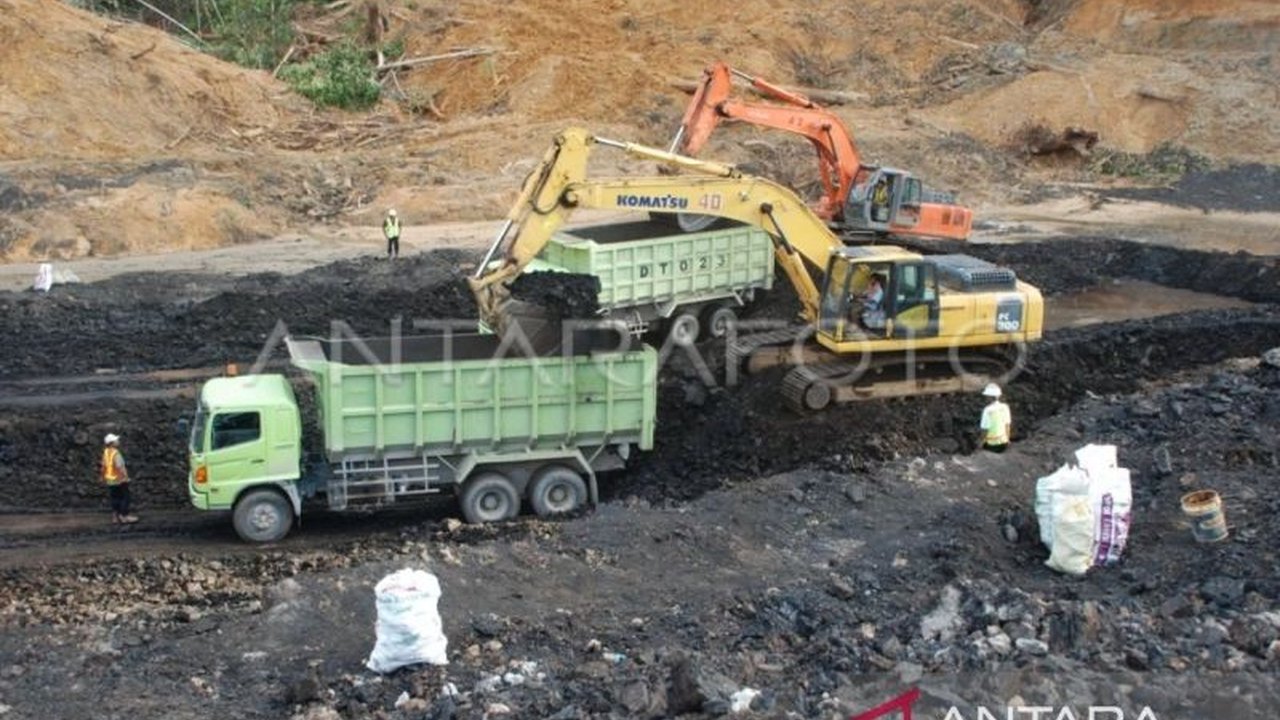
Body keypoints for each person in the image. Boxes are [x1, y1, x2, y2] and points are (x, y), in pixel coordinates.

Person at [101, 433, 138, 524]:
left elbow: (104, 466)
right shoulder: (115, 453)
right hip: (119, 479)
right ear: (112, 443)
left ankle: (115, 516)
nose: (118, 441)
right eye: (116, 440)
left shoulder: (106, 452)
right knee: (125, 497)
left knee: (115, 497)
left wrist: (102, 477)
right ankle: (124, 516)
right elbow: (119, 467)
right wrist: (125, 477)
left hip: (110, 479)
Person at [979, 383, 1012, 453]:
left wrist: (981, 443)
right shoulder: (1005, 407)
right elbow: (1007, 425)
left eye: (986, 396)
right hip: (1004, 443)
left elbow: (984, 429)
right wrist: (1008, 440)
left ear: (990, 397)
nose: (985, 398)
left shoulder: (987, 410)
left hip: (991, 445)